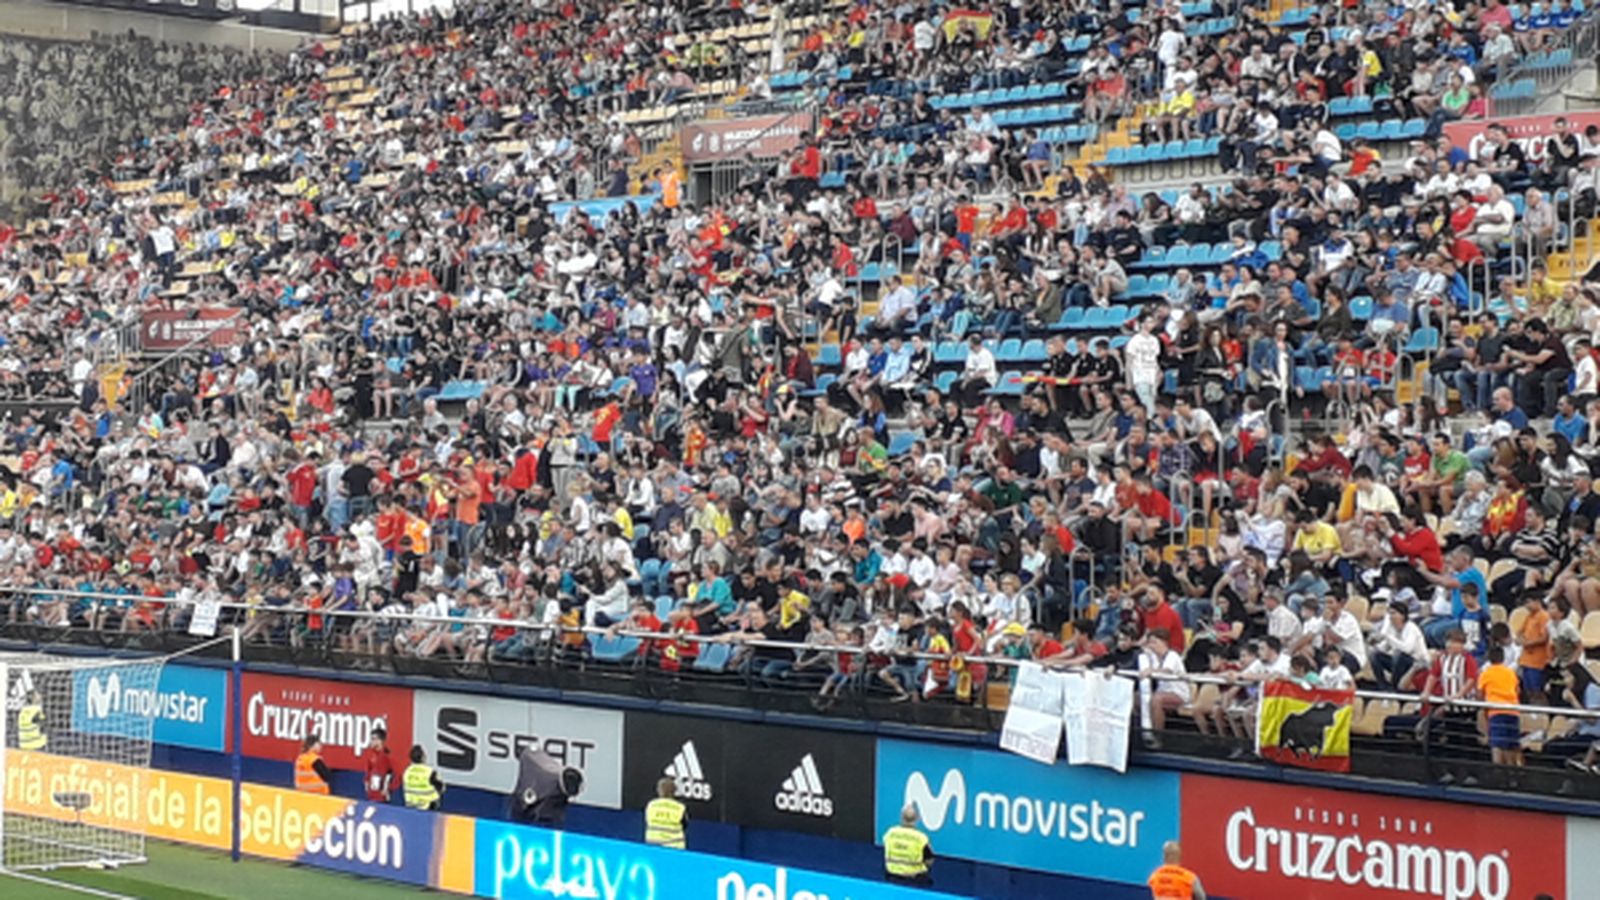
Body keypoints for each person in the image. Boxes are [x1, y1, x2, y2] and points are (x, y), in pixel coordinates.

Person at [1478, 645, 1524, 768]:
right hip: (1513, 711)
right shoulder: (1510, 673)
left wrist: (1484, 708)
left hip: (1496, 711)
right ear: (1503, 658)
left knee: (1497, 744)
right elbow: (1517, 690)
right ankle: (1513, 772)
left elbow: (1480, 693)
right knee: (1511, 743)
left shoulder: (1486, 674)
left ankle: (1498, 771)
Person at [882, 804, 933, 886]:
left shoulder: (890, 833)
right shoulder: (921, 838)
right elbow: (929, 860)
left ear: (901, 818)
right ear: (917, 819)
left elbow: (886, 850)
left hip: (892, 876)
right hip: (914, 878)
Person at [643, 777, 688, 849]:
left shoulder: (651, 805)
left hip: (653, 845)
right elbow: (685, 825)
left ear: (659, 790)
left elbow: (648, 821)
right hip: (675, 847)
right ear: (674, 791)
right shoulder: (680, 807)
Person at [402, 744, 444, 810]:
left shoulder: (407, 772)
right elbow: (440, 787)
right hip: (428, 807)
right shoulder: (429, 772)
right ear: (423, 757)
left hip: (411, 806)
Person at [362, 726, 396, 803]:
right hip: (371, 796)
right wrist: (366, 783)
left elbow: (394, 775)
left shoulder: (387, 756)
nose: (371, 742)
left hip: (382, 798)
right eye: (371, 739)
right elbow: (368, 772)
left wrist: (388, 789)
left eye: (374, 739)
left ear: (380, 741)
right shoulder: (370, 755)